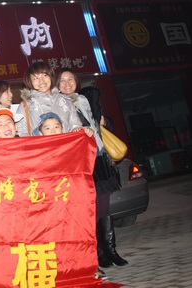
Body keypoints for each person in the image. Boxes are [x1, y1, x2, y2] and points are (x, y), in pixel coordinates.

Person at [56, 68, 126, 271]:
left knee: (104, 207)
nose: (67, 83)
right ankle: (98, 253)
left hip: (99, 158)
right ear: (57, 85)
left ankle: (111, 249)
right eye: (62, 80)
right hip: (79, 162)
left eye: (70, 79)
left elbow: (102, 124)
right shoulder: (57, 104)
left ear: (77, 82)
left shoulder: (85, 100)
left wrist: (104, 120)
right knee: (89, 209)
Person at [16, 61, 82, 137]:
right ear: (30, 81)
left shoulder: (66, 101)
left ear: (51, 76)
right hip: (41, 145)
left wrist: (77, 129)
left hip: (67, 144)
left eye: (45, 75)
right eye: (36, 78)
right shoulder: (26, 105)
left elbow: (76, 125)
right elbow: (21, 132)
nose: (41, 81)